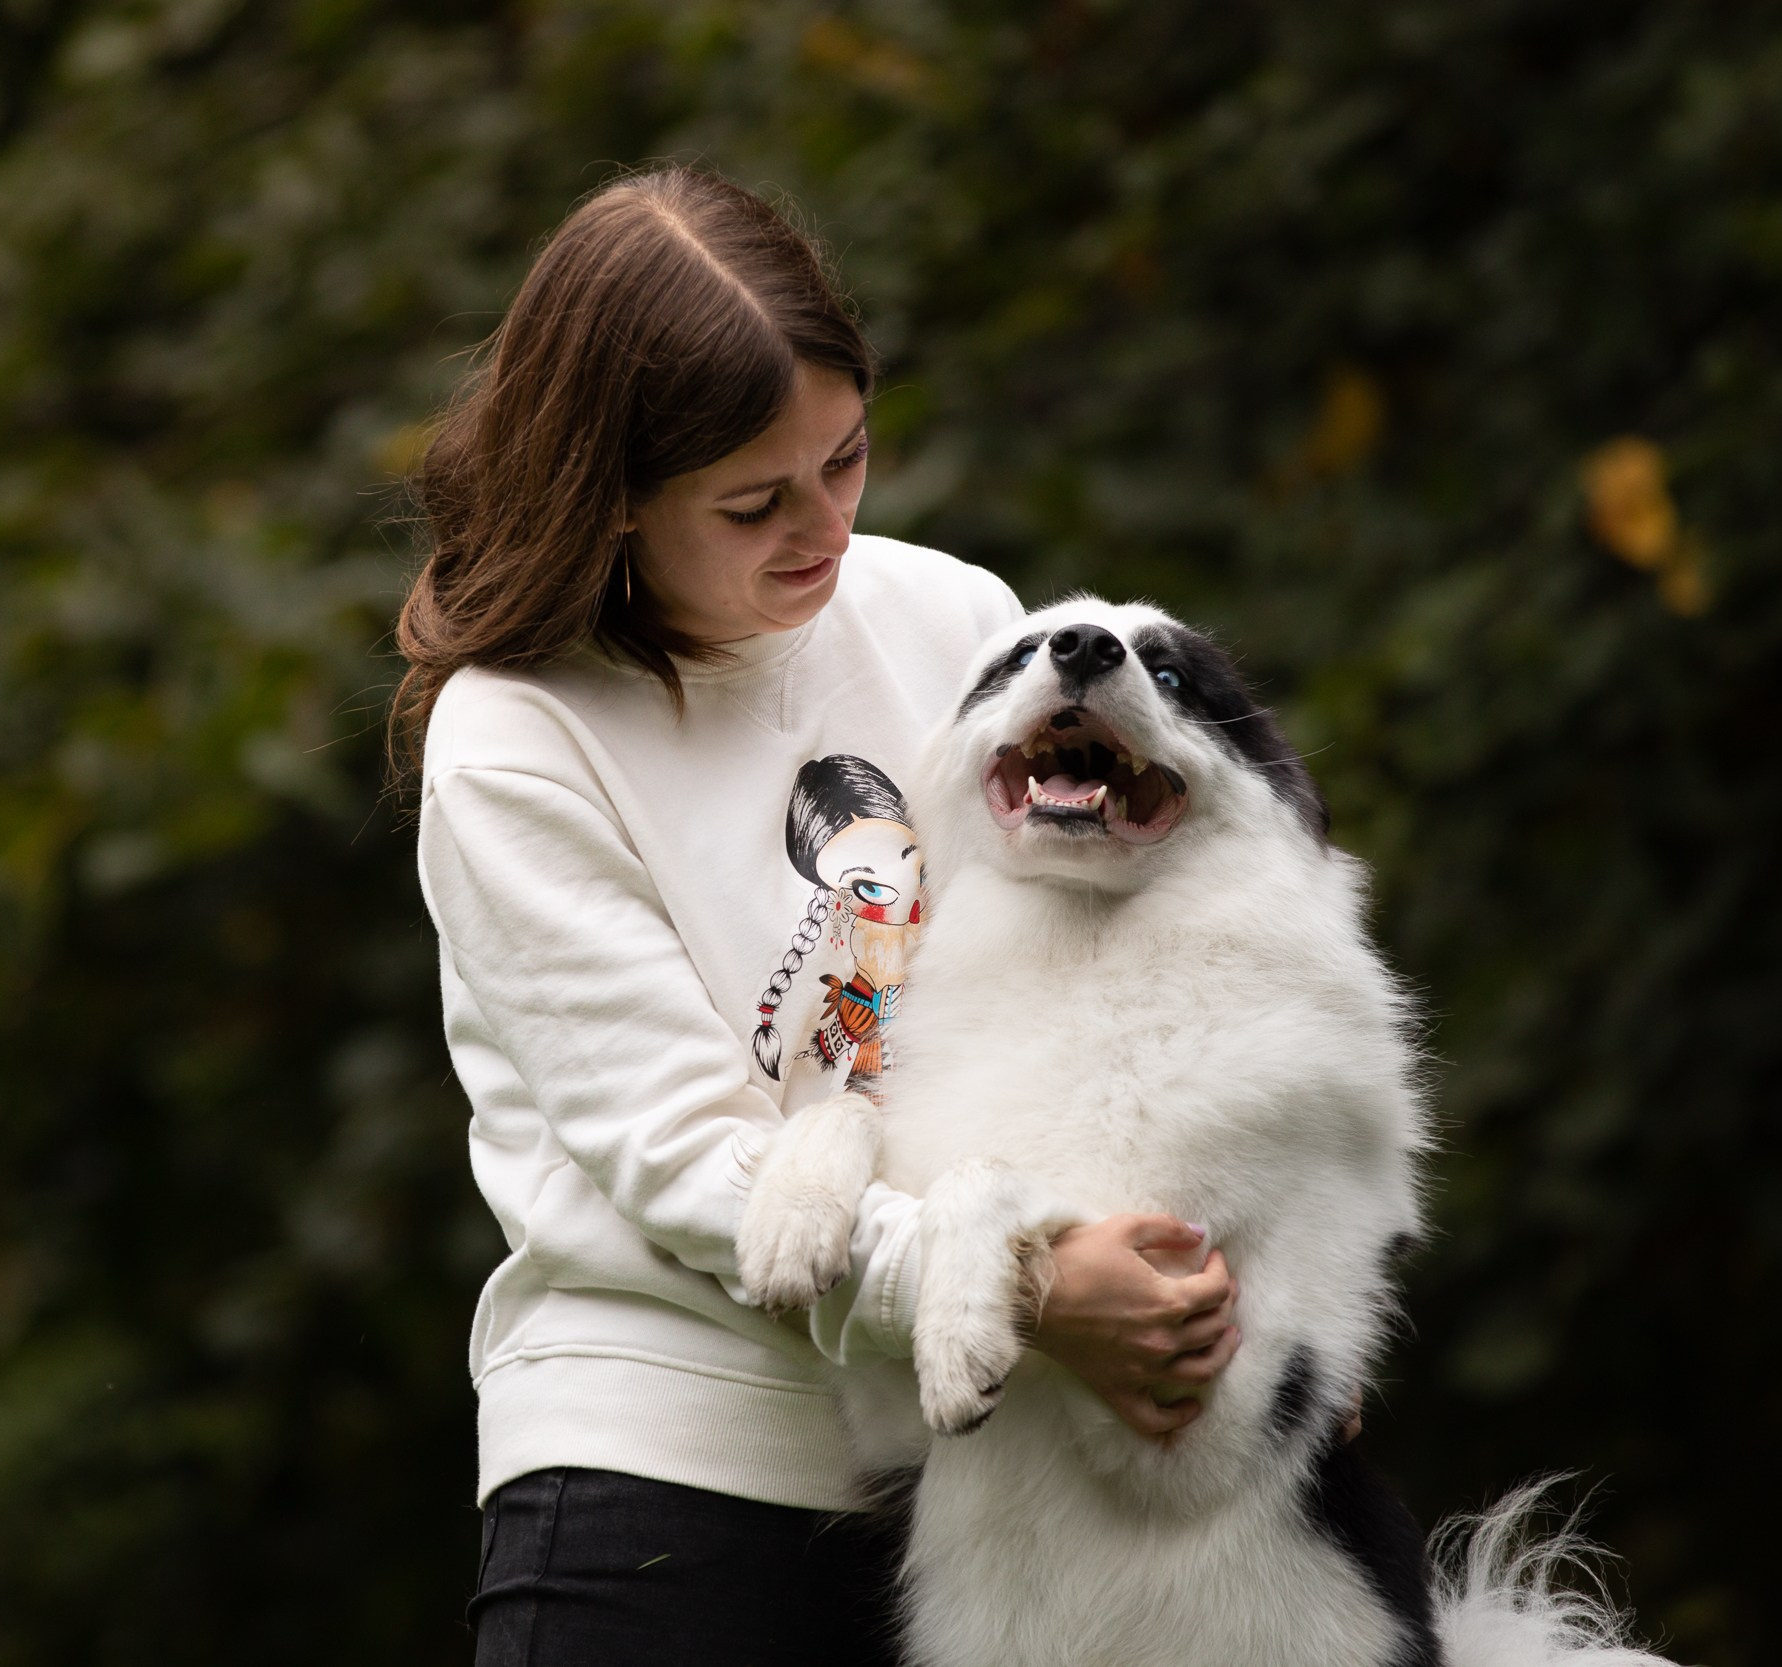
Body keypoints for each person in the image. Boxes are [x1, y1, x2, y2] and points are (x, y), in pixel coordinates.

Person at [392, 167, 1243, 1667]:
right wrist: (1036, 1288)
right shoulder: (513, 738)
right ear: (610, 496)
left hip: (994, 1482)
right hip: (668, 1490)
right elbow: (683, 1157)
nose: (823, 530)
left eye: (845, 463)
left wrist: (1239, 1291)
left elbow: (1124, 971)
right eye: (752, 502)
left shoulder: (958, 620)